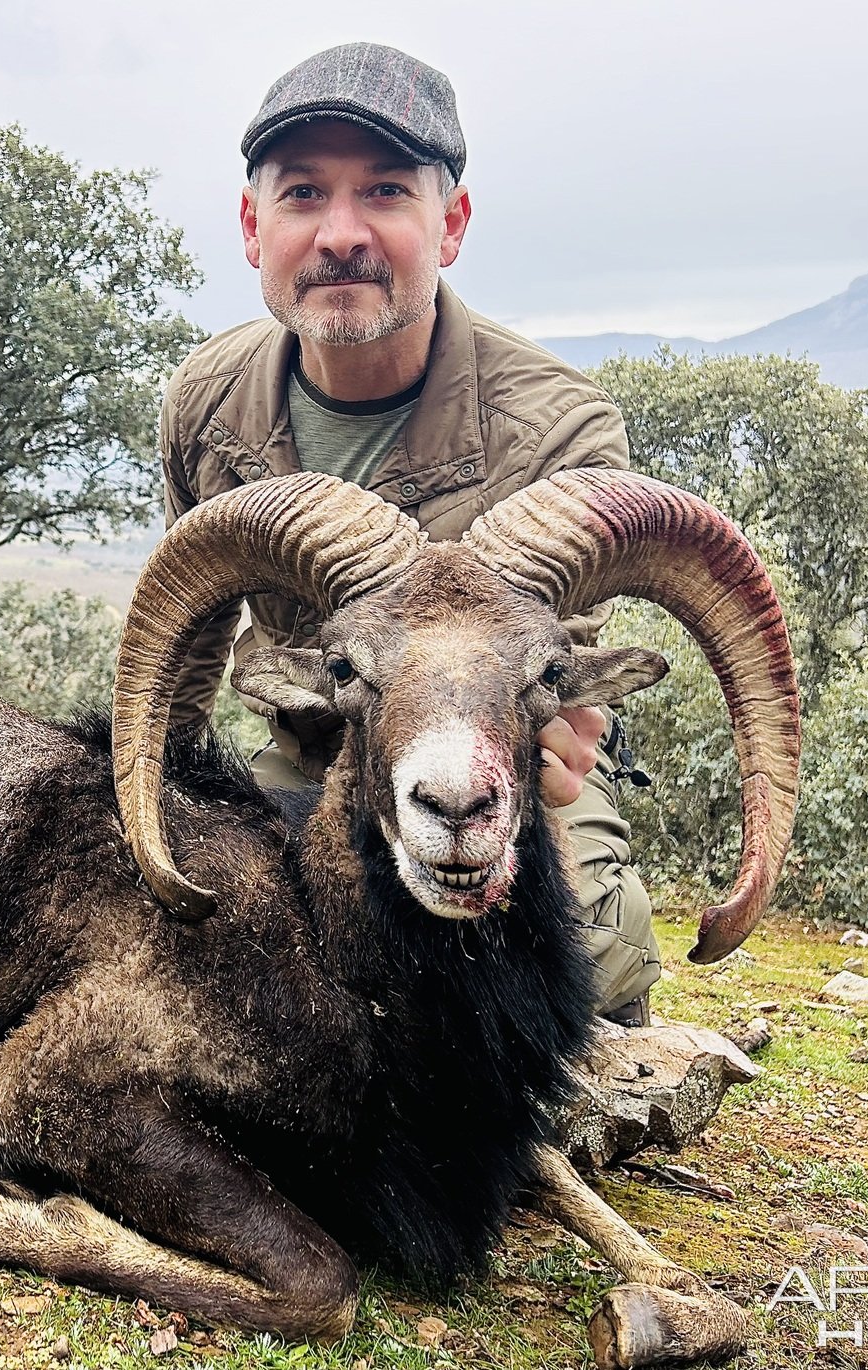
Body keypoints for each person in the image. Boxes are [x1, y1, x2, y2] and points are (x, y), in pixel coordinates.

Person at [159, 41, 660, 1022]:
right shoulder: (207, 400)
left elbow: (562, 698)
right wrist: (159, 803)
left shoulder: (562, 430)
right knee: (212, 941)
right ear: (254, 226)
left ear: (452, 222)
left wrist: (544, 749)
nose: (342, 233)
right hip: (316, 747)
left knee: (580, 959)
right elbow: (185, 645)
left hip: (499, 759)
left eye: (385, 191)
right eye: (303, 194)